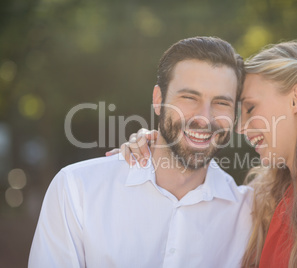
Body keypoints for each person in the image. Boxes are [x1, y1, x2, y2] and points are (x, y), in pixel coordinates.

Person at [111, 41, 297, 267]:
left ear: (296, 99)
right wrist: (154, 146)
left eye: (251, 109)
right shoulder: (268, 195)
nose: (241, 127)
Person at [28, 36, 254, 268]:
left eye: (222, 103)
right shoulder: (77, 189)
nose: (204, 118)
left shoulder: (250, 214)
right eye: (189, 97)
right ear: (158, 100)